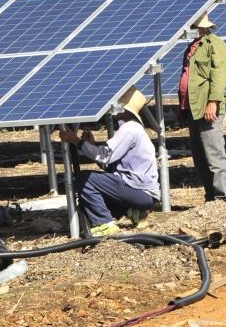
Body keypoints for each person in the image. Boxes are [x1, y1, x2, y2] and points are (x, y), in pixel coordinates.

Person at [59, 86, 159, 237]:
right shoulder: (133, 128)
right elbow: (108, 165)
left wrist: (75, 140)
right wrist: (91, 145)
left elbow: (103, 156)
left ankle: (104, 224)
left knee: (82, 179)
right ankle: (133, 211)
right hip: (142, 193)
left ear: (124, 108)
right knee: (89, 203)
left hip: (139, 191)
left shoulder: (130, 129)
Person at [178, 12, 226, 203]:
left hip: (206, 107)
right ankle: (210, 197)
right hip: (192, 107)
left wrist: (213, 102)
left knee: (214, 154)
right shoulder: (191, 48)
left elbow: (218, 75)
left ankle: (223, 198)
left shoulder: (214, 44)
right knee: (200, 157)